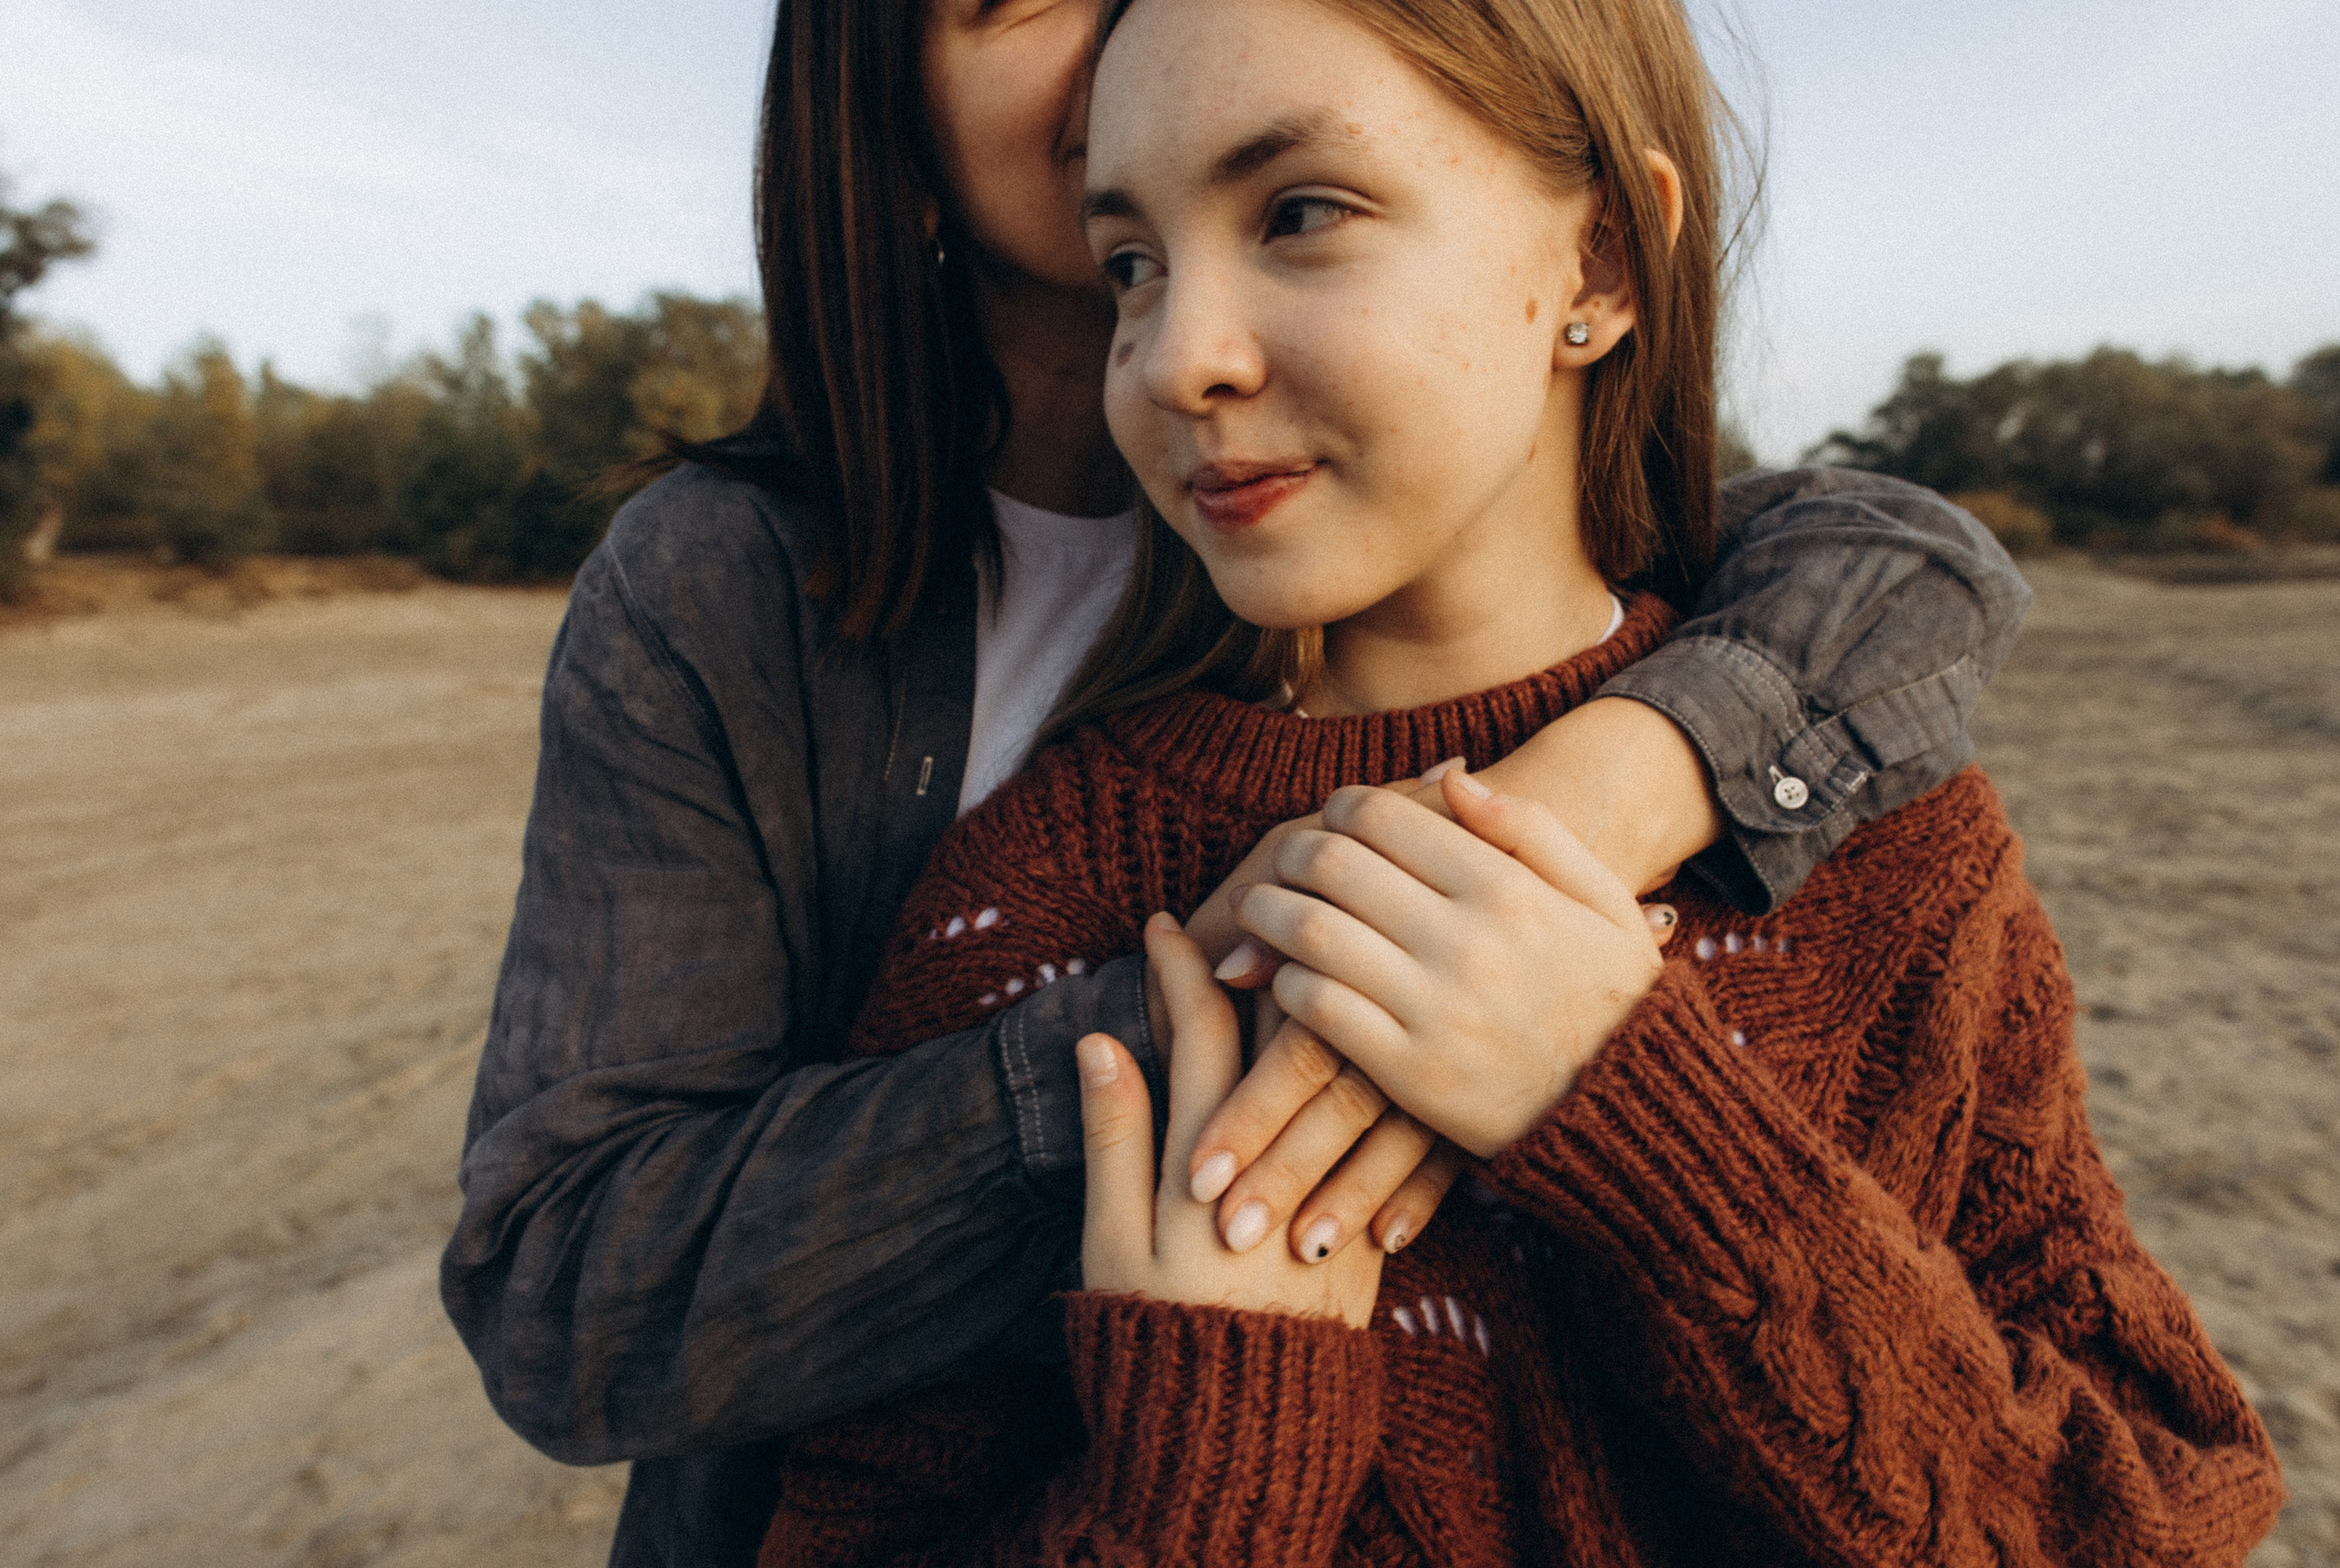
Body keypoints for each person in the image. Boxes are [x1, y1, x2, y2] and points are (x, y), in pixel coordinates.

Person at [441, 1, 2035, 1562]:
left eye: (1298, 213)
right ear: (882, 94)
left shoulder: (1426, 491)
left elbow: (1900, 565)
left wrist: (1584, 810)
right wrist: (1240, 1025)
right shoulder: (745, 596)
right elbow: (575, 1300)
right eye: (1036, 0)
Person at [752, 0, 2282, 1560]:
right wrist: (1208, 1444)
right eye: (1132, 263)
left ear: (1603, 266)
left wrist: (1652, 1128)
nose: (1174, 360)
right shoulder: (1051, 892)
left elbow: (2159, 1516)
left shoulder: (1892, 851)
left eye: (1301, 213)